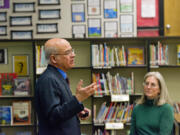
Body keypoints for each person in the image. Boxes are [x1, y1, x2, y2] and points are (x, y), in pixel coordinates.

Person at [35, 38, 97, 135]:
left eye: (72, 51)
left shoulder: (59, 76)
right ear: (54, 59)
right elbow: (53, 116)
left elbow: (61, 108)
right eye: (68, 52)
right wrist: (78, 99)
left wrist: (76, 110)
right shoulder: (48, 80)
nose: (73, 55)